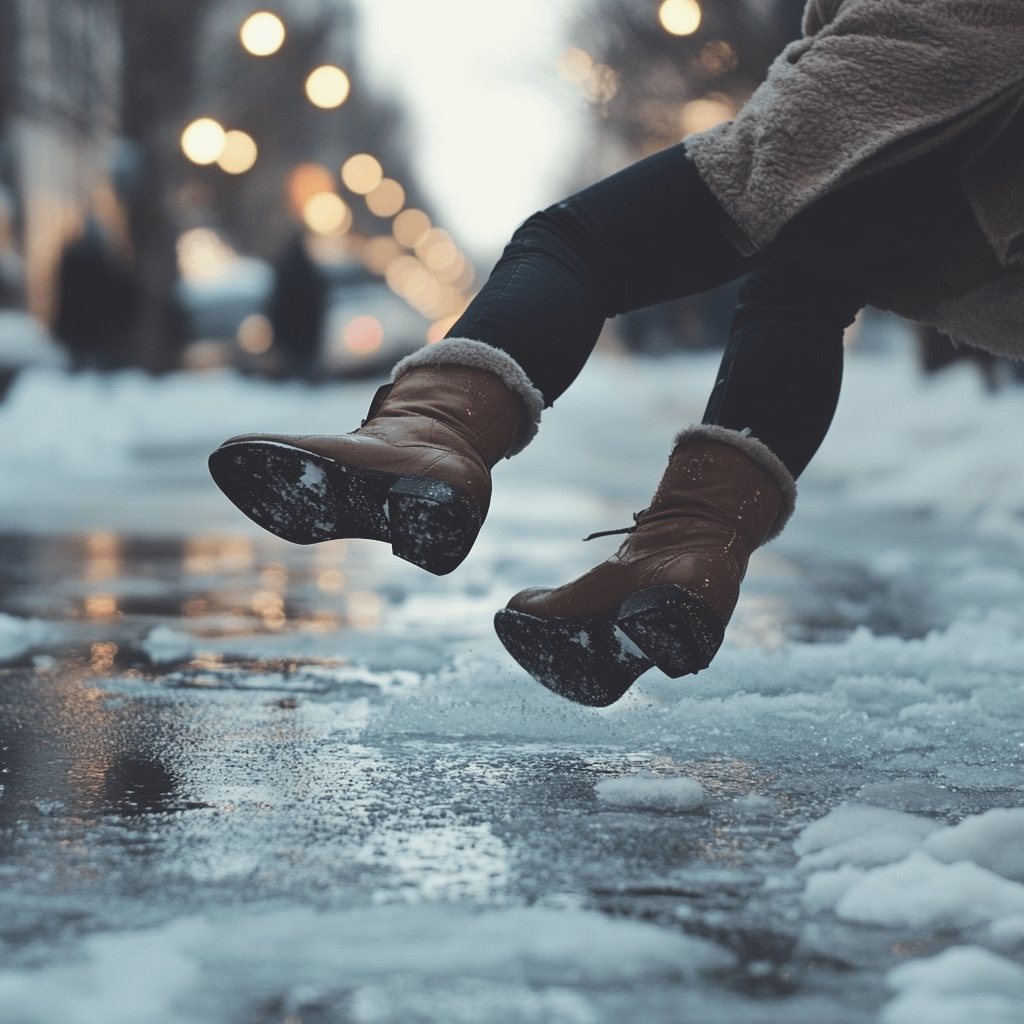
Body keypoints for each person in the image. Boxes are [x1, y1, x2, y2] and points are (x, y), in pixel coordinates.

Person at [210, 0, 1024, 708]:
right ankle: (686, 548)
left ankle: (431, 429)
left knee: (577, 242)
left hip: (943, 42)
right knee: (803, 274)